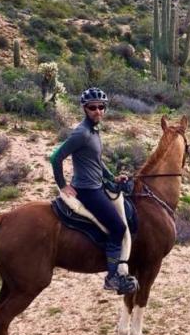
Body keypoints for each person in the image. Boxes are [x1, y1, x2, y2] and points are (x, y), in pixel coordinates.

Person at [50, 87, 138, 294]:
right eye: (92, 108)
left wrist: (111, 177)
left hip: (97, 185)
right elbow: (56, 157)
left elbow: (96, 161)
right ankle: (112, 277)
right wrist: (62, 184)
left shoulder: (94, 130)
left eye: (101, 107)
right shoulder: (81, 133)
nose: (98, 111)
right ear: (84, 108)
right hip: (88, 190)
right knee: (118, 228)